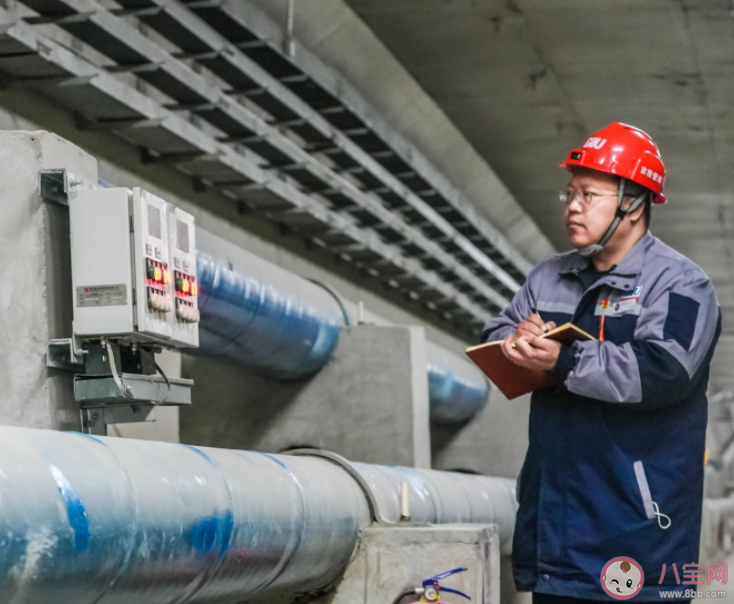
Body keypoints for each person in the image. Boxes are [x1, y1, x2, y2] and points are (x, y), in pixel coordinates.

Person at [480, 122, 722, 603]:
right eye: (570, 193)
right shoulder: (549, 276)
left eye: (589, 194)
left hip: (641, 533)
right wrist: (515, 343)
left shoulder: (680, 286)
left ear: (634, 203)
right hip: (556, 533)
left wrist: (565, 360)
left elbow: (663, 372)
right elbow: (496, 332)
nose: (572, 205)